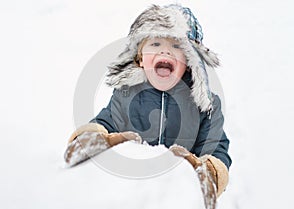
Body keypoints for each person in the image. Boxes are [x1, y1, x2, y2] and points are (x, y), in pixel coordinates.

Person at [64, 4, 231, 199]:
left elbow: (215, 144)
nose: (166, 52)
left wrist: (207, 171)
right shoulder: (126, 94)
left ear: (189, 62)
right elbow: (105, 122)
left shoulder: (204, 105)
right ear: (140, 58)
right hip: (134, 193)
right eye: (155, 44)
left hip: (177, 195)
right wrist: (92, 138)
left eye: (176, 46)